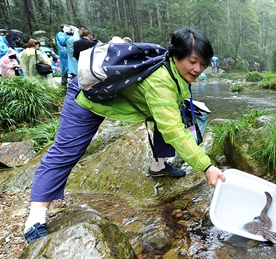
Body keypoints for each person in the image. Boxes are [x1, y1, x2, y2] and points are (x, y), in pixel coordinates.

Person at [22, 26, 227, 244]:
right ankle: (35, 219)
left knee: (171, 113)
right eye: (192, 61)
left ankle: (158, 166)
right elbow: (173, 130)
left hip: (113, 94)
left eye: (203, 63)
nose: (198, 68)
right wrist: (206, 166)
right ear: (176, 55)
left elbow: (168, 115)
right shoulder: (161, 81)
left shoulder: (169, 65)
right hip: (88, 96)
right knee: (67, 152)